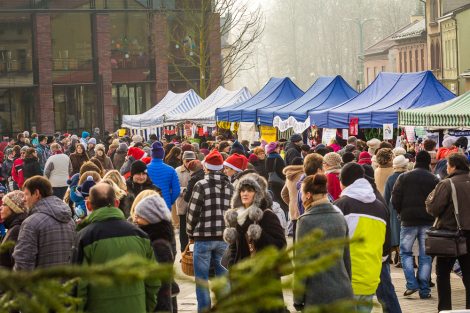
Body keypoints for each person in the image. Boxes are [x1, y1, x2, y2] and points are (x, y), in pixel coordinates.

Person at [70, 183, 161, 312]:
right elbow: (153, 281)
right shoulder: (141, 235)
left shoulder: (84, 237)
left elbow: (77, 287)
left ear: (88, 205)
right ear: (117, 203)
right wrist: (146, 307)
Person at [223, 175, 287, 312]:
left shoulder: (267, 215)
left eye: (250, 190)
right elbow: (235, 247)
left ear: (257, 194)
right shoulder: (237, 216)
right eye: (242, 190)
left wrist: (260, 235)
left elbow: (281, 245)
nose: (245, 193)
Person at [293, 174, 353, 310]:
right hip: (343, 291)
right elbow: (346, 258)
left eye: (301, 193)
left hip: (318, 295)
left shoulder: (305, 221)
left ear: (309, 195)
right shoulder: (339, 217)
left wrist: (298, 298)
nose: (301, 197)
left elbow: (302, 264)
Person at [334, 163, 388, 312]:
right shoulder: (381, 207)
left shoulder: (340, 206)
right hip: (371, 278)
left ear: (343, 182)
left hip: (347, 280)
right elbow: (386, 249)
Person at [186, 149, 234, 312]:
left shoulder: (201, 185)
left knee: (202, 280)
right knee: (223, 278)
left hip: (203, 238)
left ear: (206, 167)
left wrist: (190, 233)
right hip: (224, 237)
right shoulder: (230, 186)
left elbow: (192, 212)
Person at [391, 150, 439, 299]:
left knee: (405, 253)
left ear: (415, 161)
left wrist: (401, 212)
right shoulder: (434, 179)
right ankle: (424, 290)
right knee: (425, 256)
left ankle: (411, 284)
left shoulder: (403, 177)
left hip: (408, 221)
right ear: (428, 164)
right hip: (428, 222)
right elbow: (438, 201)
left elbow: (395, 199)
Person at [426, 152, 470, 311]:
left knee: (443, 275)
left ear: (454, 166)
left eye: (448, 166)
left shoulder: (446, 184)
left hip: (449, 235)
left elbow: (434, 208)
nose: (447, 169)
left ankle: (445, 309)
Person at [13, 176, 76, 270]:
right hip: (67, 282)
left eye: (26, 195)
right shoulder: (70, 221)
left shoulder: (31, 223)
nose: (24, 199)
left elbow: (23, 264)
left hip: (41, 283)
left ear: (37, 193)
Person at [133, 194, 179, 312]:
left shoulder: (158, 244)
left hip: (158, 306)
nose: (134, 220)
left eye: (138, 217)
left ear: (150, 218)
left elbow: (156, 282)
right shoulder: (156, 239)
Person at [383, 155, 409, 267]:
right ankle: (405, 256)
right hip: (406, 207)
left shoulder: (391, 178)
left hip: (393, 209)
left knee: (396, 232)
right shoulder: (408, 176)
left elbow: (385, 196)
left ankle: (399, 255)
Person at [147, 142, 180, 212]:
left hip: (148, 204)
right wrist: (170, 201)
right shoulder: (171, 170)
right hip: (165, 205)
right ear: (162, 155)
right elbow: (176, 191)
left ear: (152, 155)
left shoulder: (145, 170)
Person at [0, 191, 28, 269]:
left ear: (14, 209)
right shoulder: (12, 226)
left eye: (4, 205)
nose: (0, 207)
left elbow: (17, 264)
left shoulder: (17, 229)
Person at [175, 151, 196, 251]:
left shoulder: (199, 170)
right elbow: (174, 188)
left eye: (192, 160)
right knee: (183, 232)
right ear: (183, 160)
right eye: (187, 161)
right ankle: (184, 252)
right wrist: (187, 190)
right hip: (183, 205)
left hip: (196, 205)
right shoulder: (177, 171)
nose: (189, 163)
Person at [266, 142, 288, 212]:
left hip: (271, 182)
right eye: (278, 148)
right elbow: (282, 172)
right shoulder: (278, 158)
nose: (279, 149)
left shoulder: (267, 158)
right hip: (279, 182)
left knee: (275, 200)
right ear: (274, 149)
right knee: (281, 201)